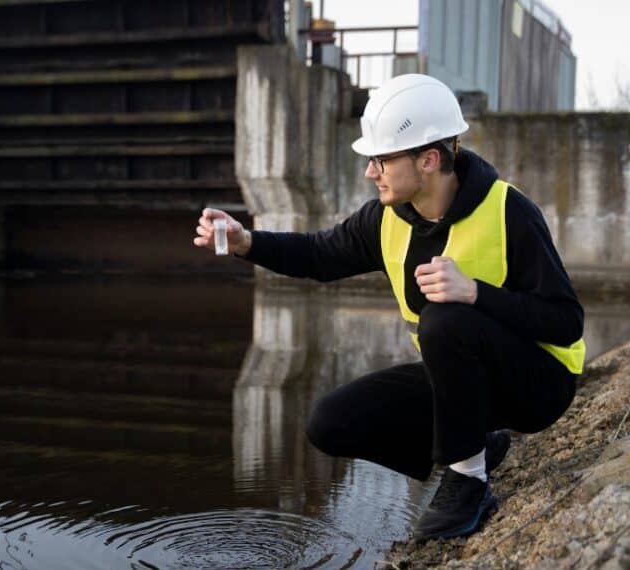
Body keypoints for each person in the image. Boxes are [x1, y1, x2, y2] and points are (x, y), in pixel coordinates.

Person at [194, 74, 585, 541]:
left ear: (429, 159)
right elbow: (319, 255)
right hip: (463, 382)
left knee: (444, 314)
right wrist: (246, 242)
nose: (370, 172)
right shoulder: (385, 219)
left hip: (540, 384)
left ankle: (468, 480)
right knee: (330, 423)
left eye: (380, 159)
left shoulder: (509, 211)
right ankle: (477, 447)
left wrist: (476, 293)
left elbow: (565, 323)